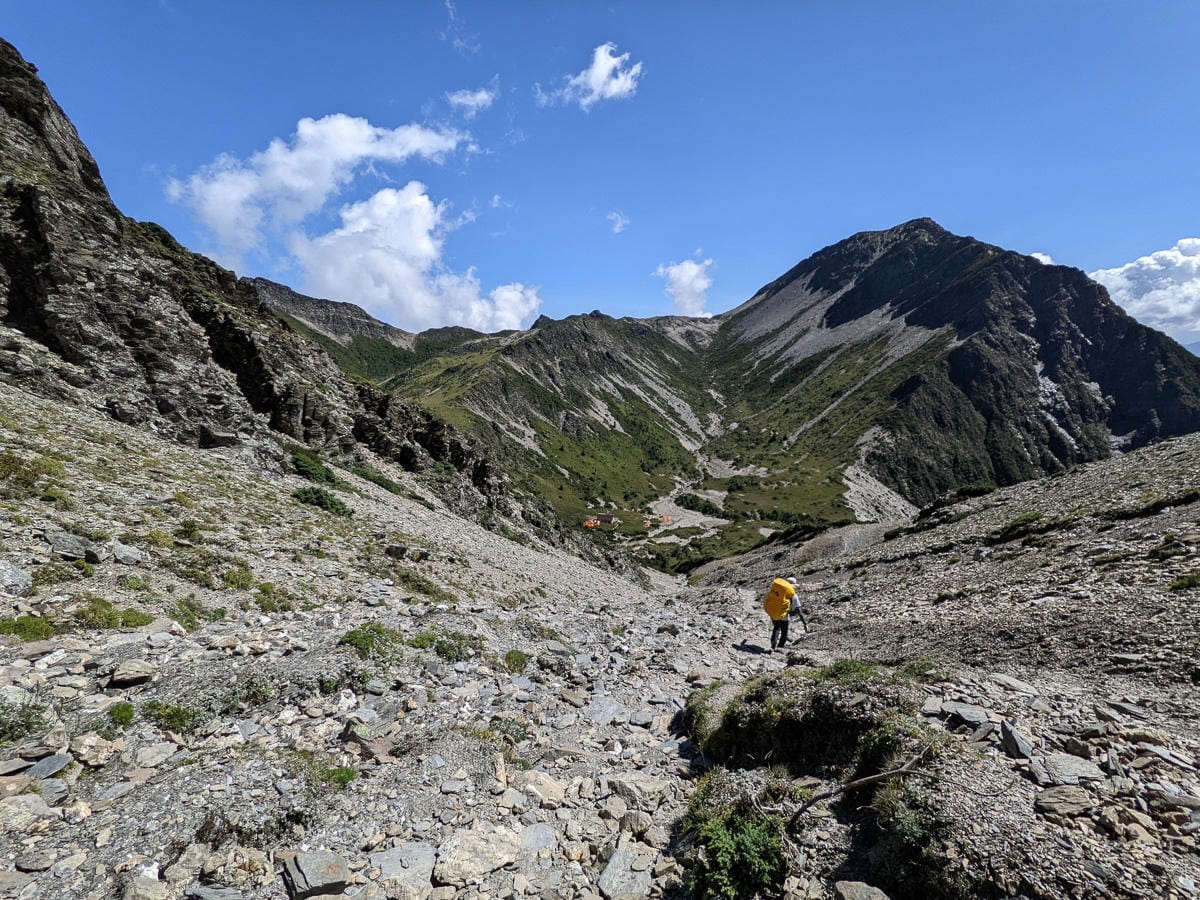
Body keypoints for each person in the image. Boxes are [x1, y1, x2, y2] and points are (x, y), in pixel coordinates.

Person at [763, 576, 798, 652]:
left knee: (776, 628)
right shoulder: (792, 594)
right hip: (784, 615)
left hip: (774, 613)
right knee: (784, 632)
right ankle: (780, 647)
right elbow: (797, 607)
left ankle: (773, 645)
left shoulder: (777, 590)